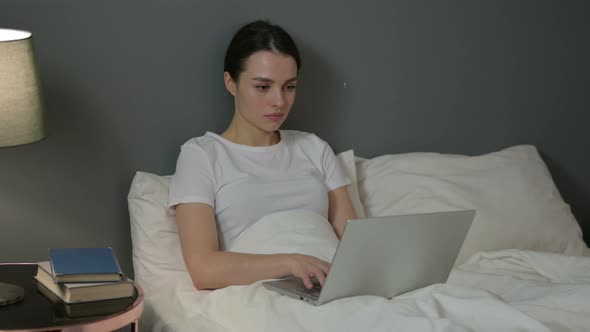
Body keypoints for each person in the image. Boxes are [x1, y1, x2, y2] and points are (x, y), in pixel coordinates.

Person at [168, 19, 356, 291]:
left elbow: (356, 246)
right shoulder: (201, 155)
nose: (279, 101)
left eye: (289, 86)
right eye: (262, 87)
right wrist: (291, 263)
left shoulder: (314, 148)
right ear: (230, 82)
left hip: (329, 289)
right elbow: (203, 268)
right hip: (260, 291)